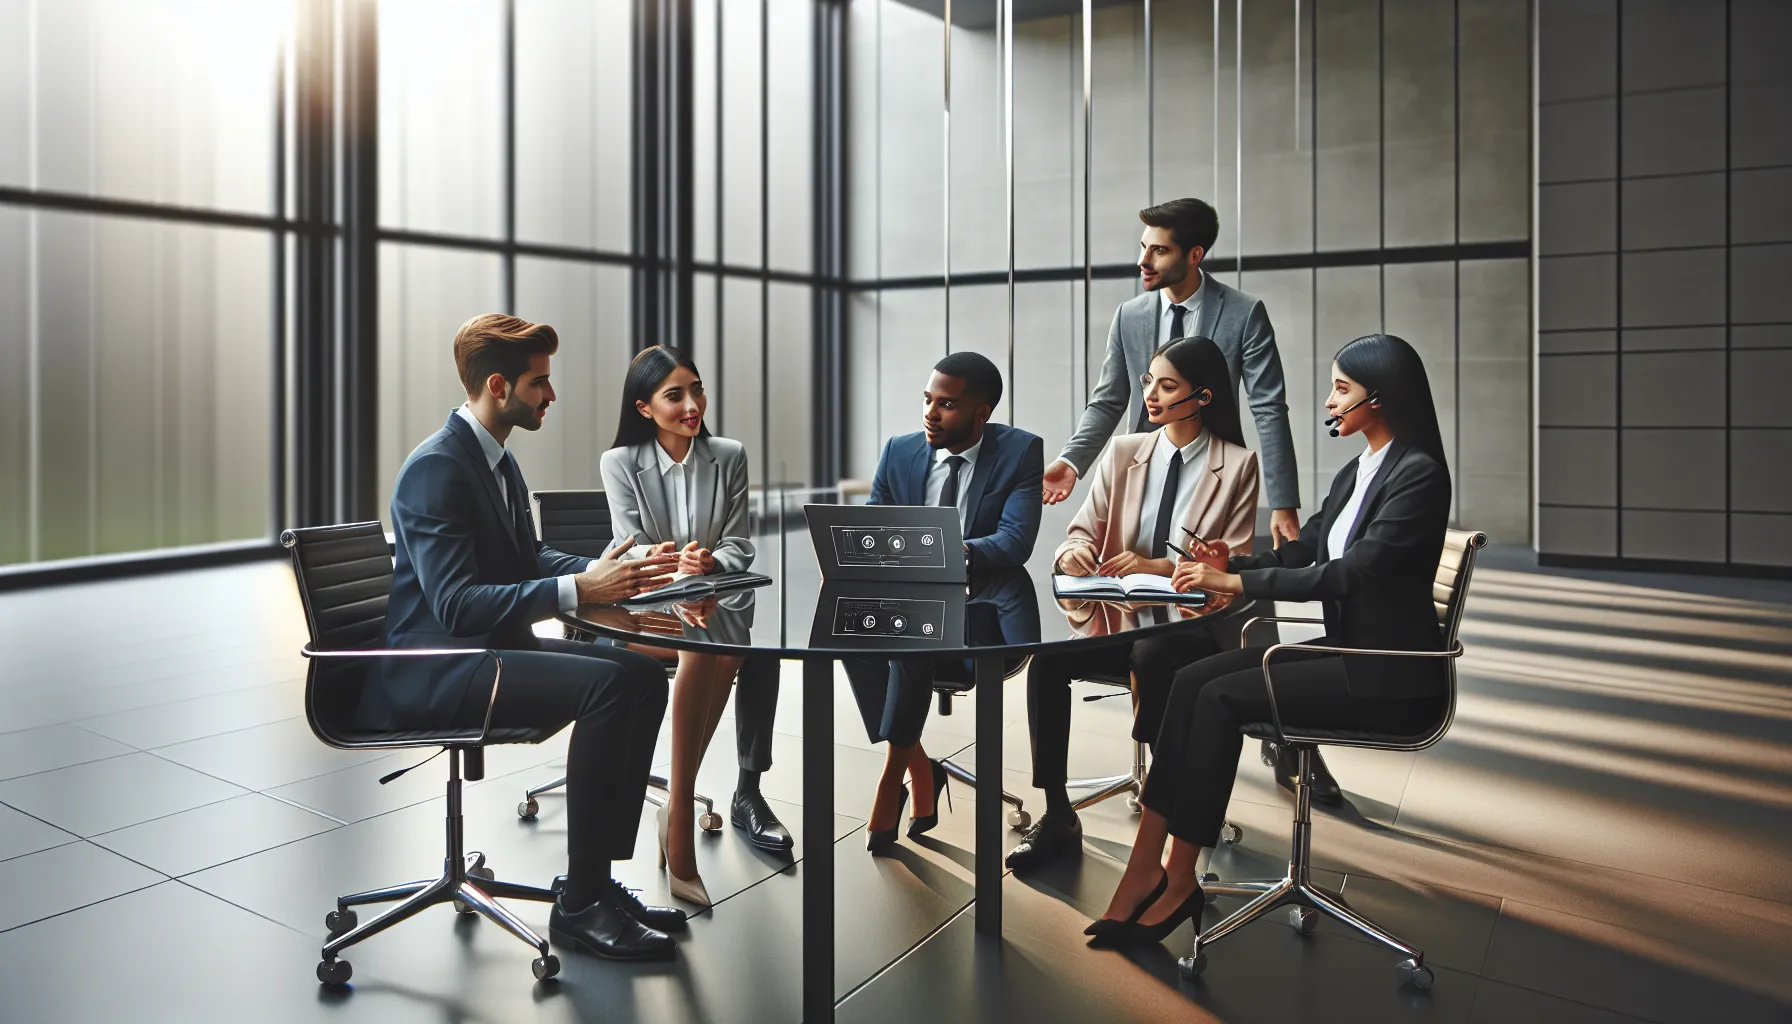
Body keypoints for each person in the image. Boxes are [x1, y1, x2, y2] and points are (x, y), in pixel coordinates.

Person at [1086, 334, 1453, 947]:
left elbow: (1351, 573)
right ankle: (1146, 863)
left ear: (1380, 399)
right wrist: (1234, 557)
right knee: (1190, 680)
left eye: (1342, 389)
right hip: (1347, 655)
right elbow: (1307, 549)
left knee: (1218, 698)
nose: (1331, 401)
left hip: (1387, 676)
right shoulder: (1359, 469)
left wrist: (1234, 579)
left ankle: (1179, 879)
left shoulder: (1418, 475)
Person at [375, 314, 686, 963]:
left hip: (489, 652)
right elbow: (457, 607)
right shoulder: (436, 469)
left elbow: (527, 555)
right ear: (498, 385)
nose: (551, 395)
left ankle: (590, 882)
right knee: (608, 683)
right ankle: (581, 909)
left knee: (634, 675)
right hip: (441, 670)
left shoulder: (495, 460)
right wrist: (582, 593)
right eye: (540, 382)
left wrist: (606, 575)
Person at [1006, 337, 1260, 872]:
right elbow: (1081, 532)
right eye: (1148, 381)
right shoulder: (1124, 453)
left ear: (1204, 396)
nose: (1151, 393)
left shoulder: (1237, 466)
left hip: (1192, 629)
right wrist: (1075, 556)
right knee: (1049, 662)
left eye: (1167, 385)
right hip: (1119, 619)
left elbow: (1232, 565)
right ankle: (1057, 814)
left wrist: (1162, 568)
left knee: (1153, 655)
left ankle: (1164, 811)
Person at [599, 346, 789, 909]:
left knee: (722, 646)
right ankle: (679, 814)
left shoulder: (728, 455)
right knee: (716, 650)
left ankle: (677, 806)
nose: (692, 405)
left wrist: (710, 565)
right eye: (674, 395)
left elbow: (739, 542)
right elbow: (626, 548)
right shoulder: (620, 462)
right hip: (644, 604)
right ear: (644, 407)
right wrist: (669, 565)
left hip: (709, 596)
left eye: (697, 390)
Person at [845, 351, 1045, 852]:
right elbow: (876, 525)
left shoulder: (1020, 452)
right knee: (848, 635)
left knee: (909, 638)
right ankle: (918, 766)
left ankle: (894, 777)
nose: (931, 414)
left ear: (982, 412)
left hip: (984, 614)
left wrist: (949, 550)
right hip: (911, 606)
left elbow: (1015, 542)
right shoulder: (900, 451)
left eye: (948, 405)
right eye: (928, 400)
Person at [1042, 199, 1300, 551]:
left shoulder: (1244, 313)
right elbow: (1108, 401)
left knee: (1199, 581)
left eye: (1159, 250)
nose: (1143, 261)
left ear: (1194, 255)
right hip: (1143, 471)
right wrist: (1072, 461)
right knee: (1133, 575)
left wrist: (1283, 502)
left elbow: (1268, 408)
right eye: (1143, 247)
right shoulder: (1128, 316)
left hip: (1212, 473)